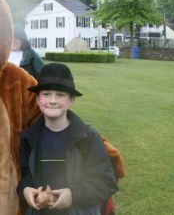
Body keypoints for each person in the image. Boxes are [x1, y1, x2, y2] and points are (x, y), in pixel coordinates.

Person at [17, 63, 118, 215]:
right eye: (46, 94)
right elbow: (24, 175)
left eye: (60, 95)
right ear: (37, 99)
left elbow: (105, 182)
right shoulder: (29, 138)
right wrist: (25, 189)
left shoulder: (87, 137)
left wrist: (73, 195)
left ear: (71, 100)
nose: (52, 100)